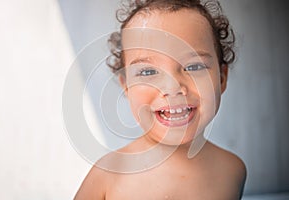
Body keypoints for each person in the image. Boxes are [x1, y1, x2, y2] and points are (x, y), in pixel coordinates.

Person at [74, 0, 246, 199]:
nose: (172, 88)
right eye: (148, 71)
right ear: (126, 86)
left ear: (222, 78)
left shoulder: (232, 171)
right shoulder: (109, 175)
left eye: (193, 67)